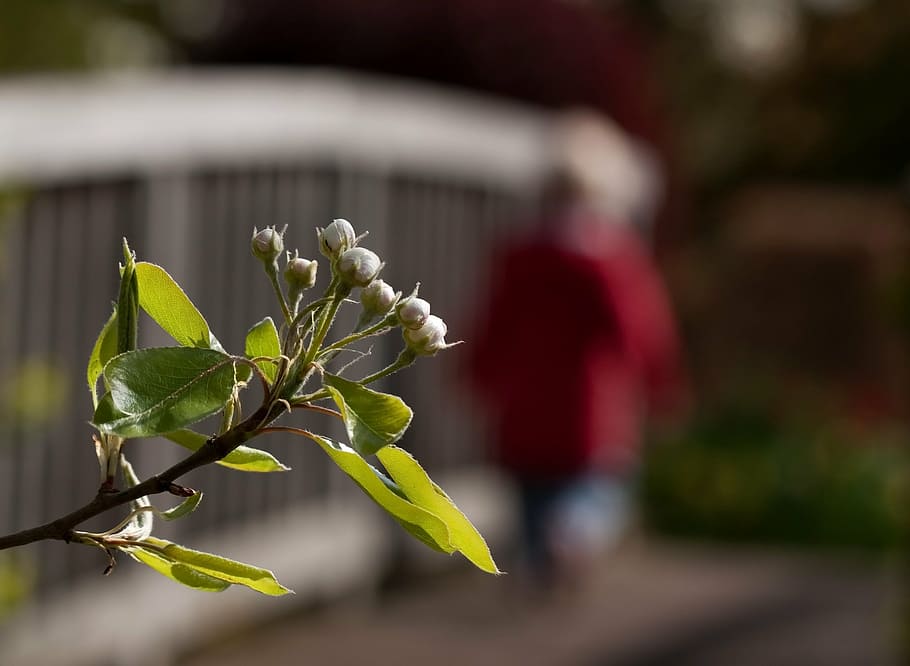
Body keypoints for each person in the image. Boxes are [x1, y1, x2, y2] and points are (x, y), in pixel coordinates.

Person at [468, 111, 686, 590]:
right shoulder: (612, 260)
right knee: (597, 493)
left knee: (531, 493)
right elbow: (640, 332)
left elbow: (493, 325)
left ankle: (536, 564)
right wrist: (660, 385)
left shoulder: (519, 255)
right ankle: (572, 539)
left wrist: (477, 374)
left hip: (523, 408)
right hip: (590, 409)